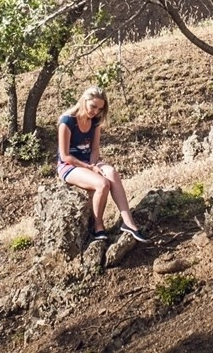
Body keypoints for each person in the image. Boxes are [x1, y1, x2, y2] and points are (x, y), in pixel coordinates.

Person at [57, 86, 149, 243]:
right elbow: (65, 156)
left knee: (111, 172)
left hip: (89, 162)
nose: (95, 111)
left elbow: (94, 149)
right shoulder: (67, 121)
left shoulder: (95, 122)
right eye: (93, 106)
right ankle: (98, 226)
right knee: (102, 184)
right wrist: (89, 168)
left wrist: (94, 165)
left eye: (100, 108)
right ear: (84, 101)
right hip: (69, 166)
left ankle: (128, 222)